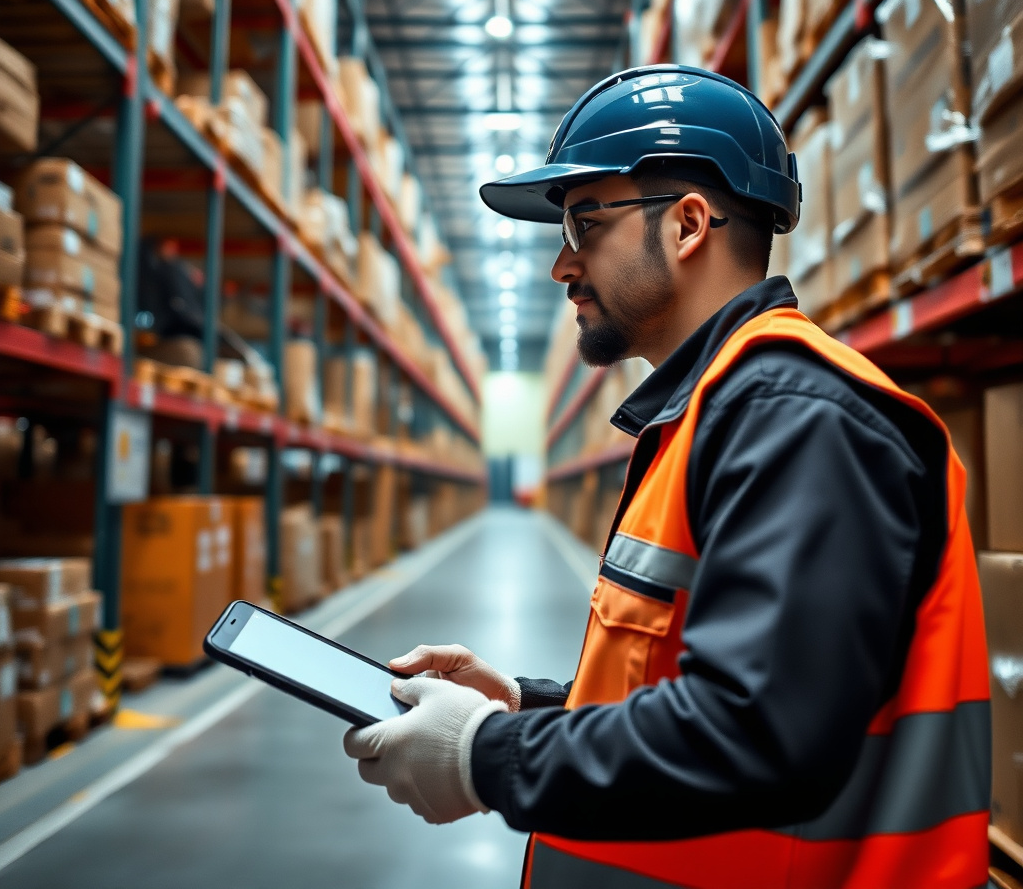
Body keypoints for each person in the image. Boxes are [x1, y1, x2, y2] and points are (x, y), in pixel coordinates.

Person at [343, 66, 991, 888]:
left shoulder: (798, 416)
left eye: (583, 224)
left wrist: (483, 755)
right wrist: (524, 704)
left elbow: (757, 734)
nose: (561, 267)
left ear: (688, 225)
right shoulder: (718, 409)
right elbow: (697, 677)